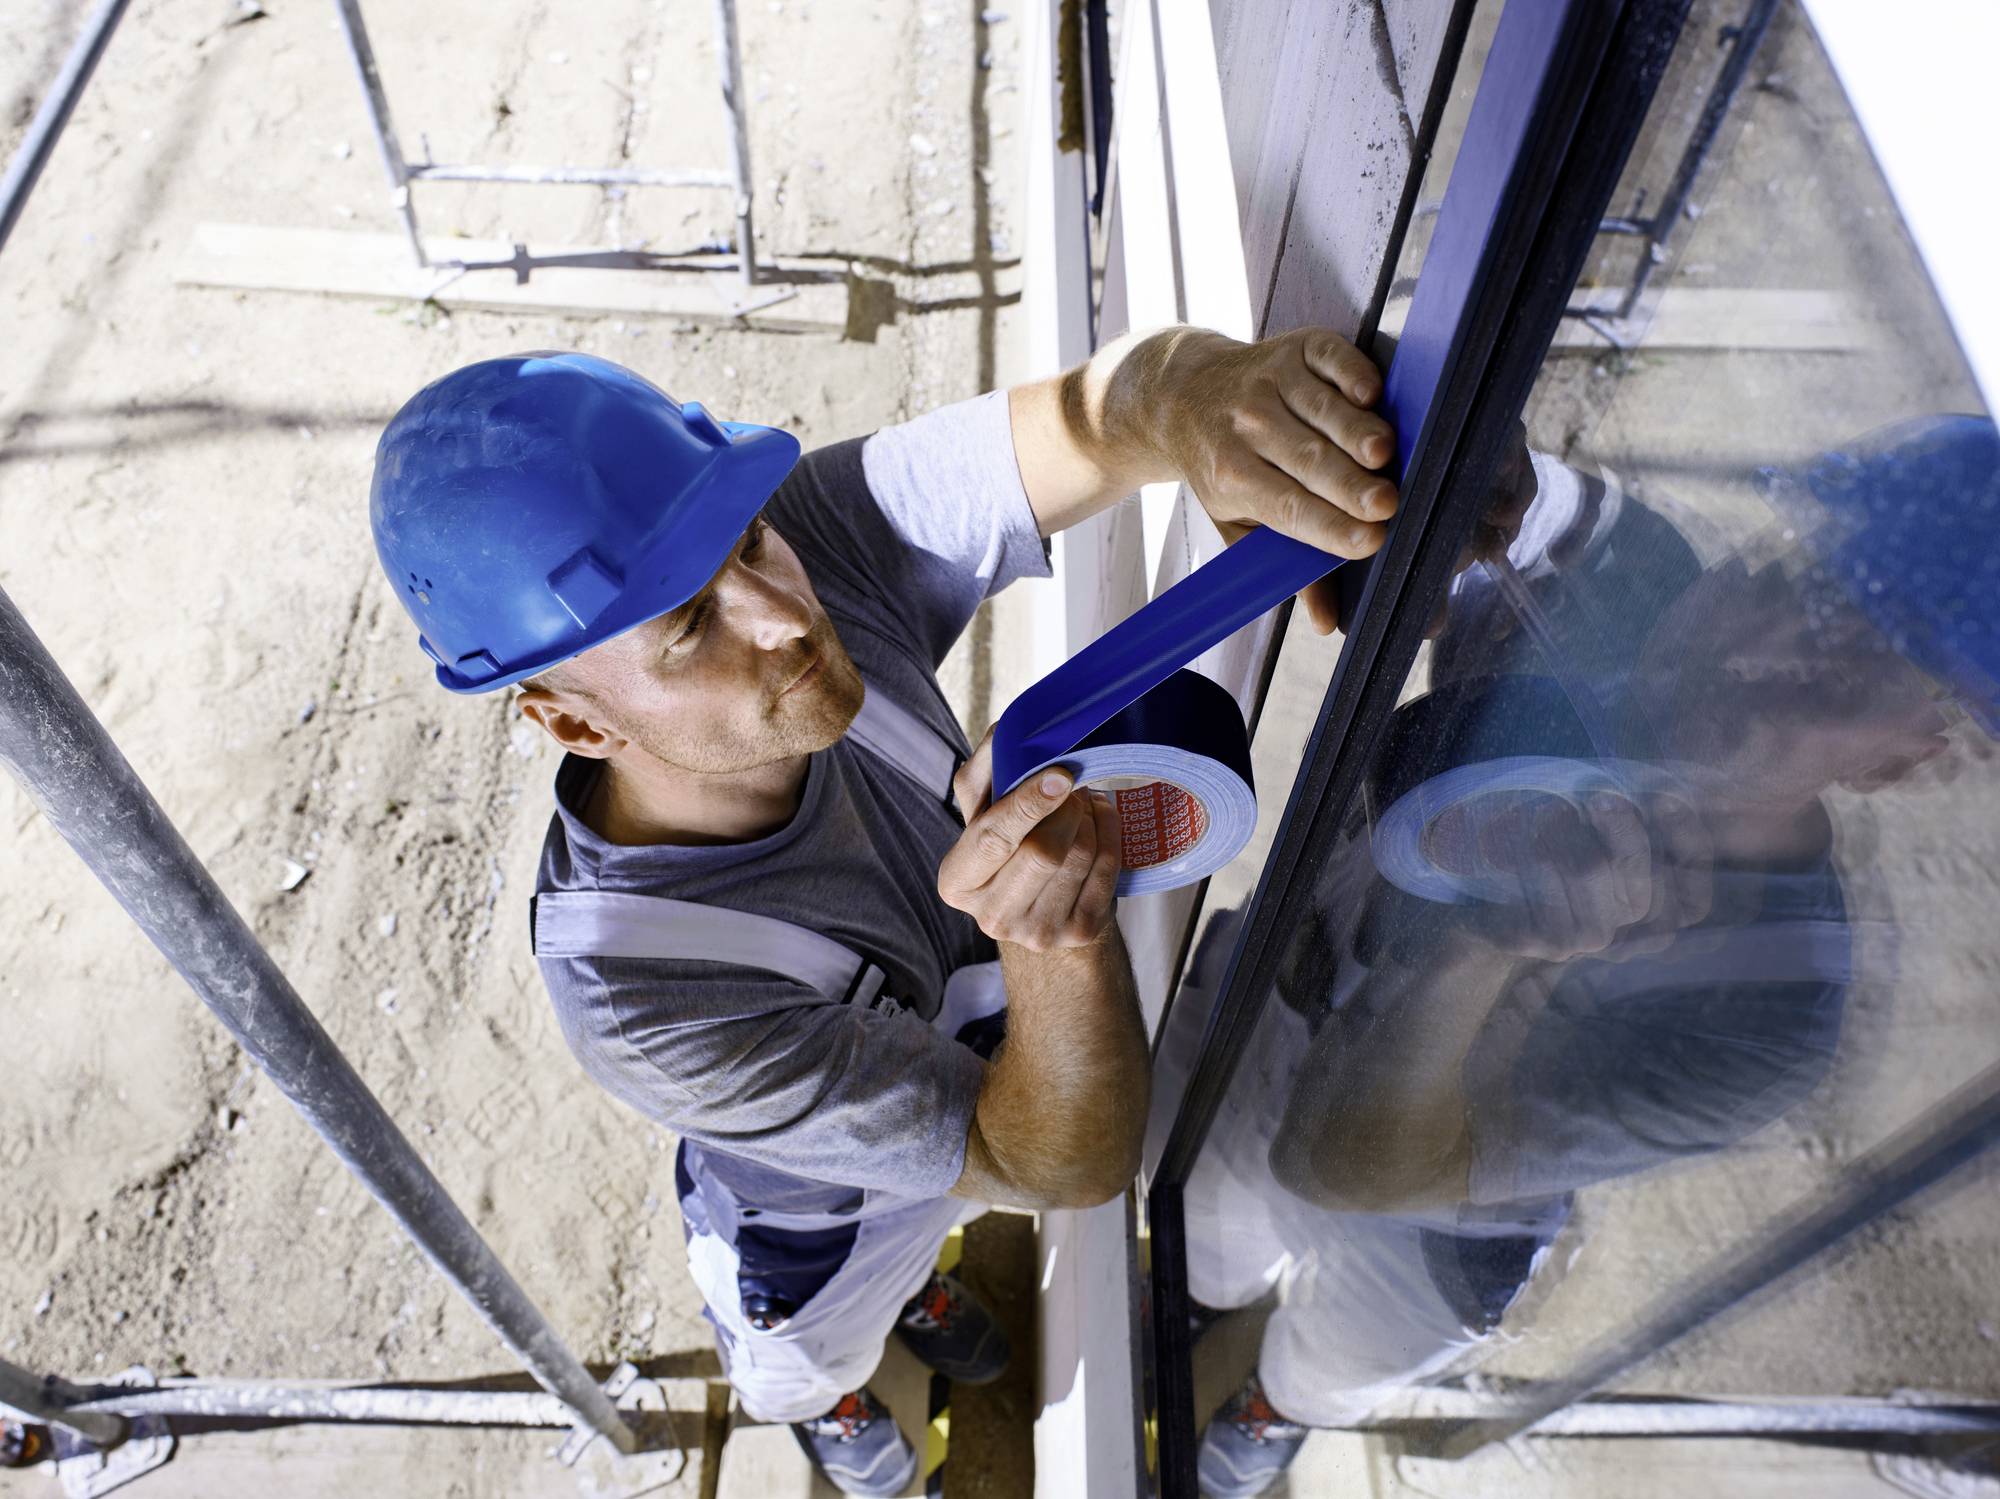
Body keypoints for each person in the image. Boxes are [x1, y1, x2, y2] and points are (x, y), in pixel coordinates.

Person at [367, 326, 1403, 1493]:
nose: (783, 613)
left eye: (747, 541)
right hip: (819, 1222)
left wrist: (1194, 397)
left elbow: (1085, 421)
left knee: (924, 1232)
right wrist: (1049, 941)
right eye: (689, 625)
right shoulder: (647, 996)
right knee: (812, 1348)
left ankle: (919, 1290)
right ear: (574, 721)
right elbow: (1042, 1159)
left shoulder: (804, 545)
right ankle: (835, 1404)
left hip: (939, 1142)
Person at [1184, 414, 2000, 1497]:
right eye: (1795, 576)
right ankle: (1204, 1316)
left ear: (1905, 758)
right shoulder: (1617, 579)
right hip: (1264, 1008)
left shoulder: (1771, 1013)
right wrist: (1448, 461)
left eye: (1853, 665)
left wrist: (1485, 952)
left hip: (1423, 1226)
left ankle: (1273, 1402)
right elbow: (1499, 483)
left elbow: (1344, 1165)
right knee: (1200, 1234)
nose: (1762, 647)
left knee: (1328, 1361)